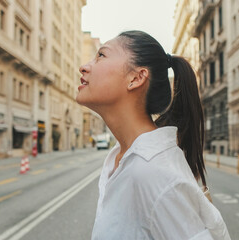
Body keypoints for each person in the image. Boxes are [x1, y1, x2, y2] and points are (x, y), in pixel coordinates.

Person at [76, 30, 230, 239]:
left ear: (136, 78)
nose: (84, 67)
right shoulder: (123, 158)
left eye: (101, 55)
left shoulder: (154, 172)